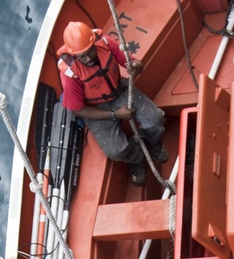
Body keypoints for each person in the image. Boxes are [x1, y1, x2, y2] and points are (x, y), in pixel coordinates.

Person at [57, 21, 168, 186]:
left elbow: (136, 64)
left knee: (155, 119)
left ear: (94, 43)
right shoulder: (70, 75)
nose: (88, 58)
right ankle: (136, 158)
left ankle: (153, 142)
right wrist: (114, 114)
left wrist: (136, 66)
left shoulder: (107, 44)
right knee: (115, 150)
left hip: (119, 91)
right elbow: (78, 110)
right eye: (82, 56)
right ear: (74, 55)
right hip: (95, 108)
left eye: (90, 51)